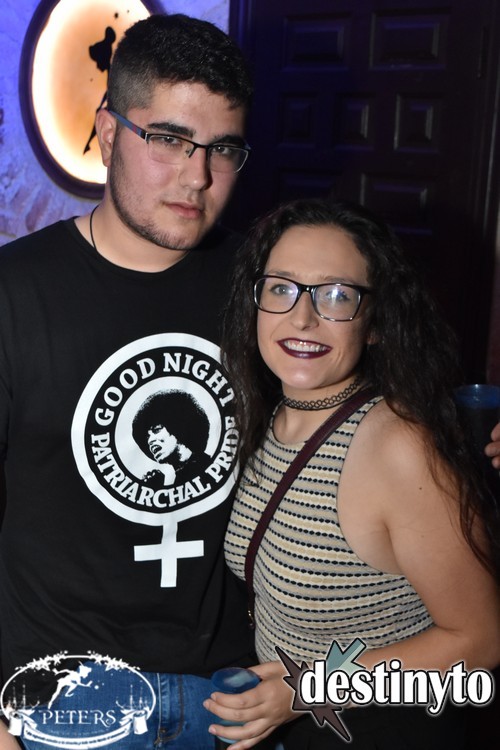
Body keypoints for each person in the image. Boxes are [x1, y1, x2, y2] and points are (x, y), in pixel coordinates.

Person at [0, 13, 254, 749]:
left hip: (234, 697)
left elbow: (365, 407)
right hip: (61, 699)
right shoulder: (15, 292)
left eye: (222, 148)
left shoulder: (267, 286)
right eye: (169, 139)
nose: (197, 176)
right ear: (109, 135)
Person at [204, 198, 500, 749]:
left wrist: (307, 688)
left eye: (338, 295)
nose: (302, 318)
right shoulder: (272, 415)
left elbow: (480, 642)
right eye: (282, 288)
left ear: (376, 324)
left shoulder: (396, 446)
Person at [132, 390, 211, 487]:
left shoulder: (209, 470)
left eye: (156, 430)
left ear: (177, 427)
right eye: (147, 436)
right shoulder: (181, 479)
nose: (150, 441)